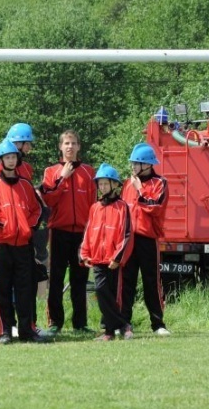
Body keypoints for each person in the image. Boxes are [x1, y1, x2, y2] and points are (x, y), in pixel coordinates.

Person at [0, 139, 48, 344]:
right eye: (7, 157)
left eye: (13, 157)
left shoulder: (25, 185)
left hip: (23, 245)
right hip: (1, 245)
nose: (10, 160)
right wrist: (1, 224)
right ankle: (5, 331)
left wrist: (27, 226)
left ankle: (27, 331)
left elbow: (37, 210)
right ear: (0, 160)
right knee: (3, 289)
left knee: (25, 289)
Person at [39, 129, 96, 334]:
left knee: (79, 280)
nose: (70, 147)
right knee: (56, 278)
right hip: (59, 232)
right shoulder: (51, 171)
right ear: (60, 147)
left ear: (79, 146)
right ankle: (55, 322)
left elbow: (94, 206)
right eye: (66, 143)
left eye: (73, 143)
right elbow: (48, 200)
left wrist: (91, 233)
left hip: (82, 233)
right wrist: (62, 178)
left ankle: (80, 324)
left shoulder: (89, 172)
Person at [120, 142, 170, 336]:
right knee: (126, 282)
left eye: (136, 163)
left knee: (151, 282)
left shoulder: (160, 183)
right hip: (128, 239)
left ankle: (158, 324)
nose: (133, 167)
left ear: (147, 164)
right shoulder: (128, 184)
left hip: (147, 239)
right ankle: (124, 323)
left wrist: (140, 189)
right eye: (132, 163)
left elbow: (154, 207)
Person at [80, 164, 134, 341]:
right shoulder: (95, 207)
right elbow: (88, 232)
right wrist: (84, 254)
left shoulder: (122, 207)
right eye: (100, 184)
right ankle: (124, 325)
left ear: (115, 185)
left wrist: (118, 258)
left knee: (112, 295)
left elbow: (126, 234)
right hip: (97, 259)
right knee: (101, 291)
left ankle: (109, 332)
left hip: (113, 261)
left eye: (105, 183)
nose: (102, 187)